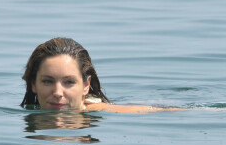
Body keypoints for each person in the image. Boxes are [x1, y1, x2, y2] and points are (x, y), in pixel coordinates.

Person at [21, 37, 172, 113]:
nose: (57, 93)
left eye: (69, 82)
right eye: (48, 81)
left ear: (86, 86)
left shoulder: (102, 111)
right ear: (34, 84)